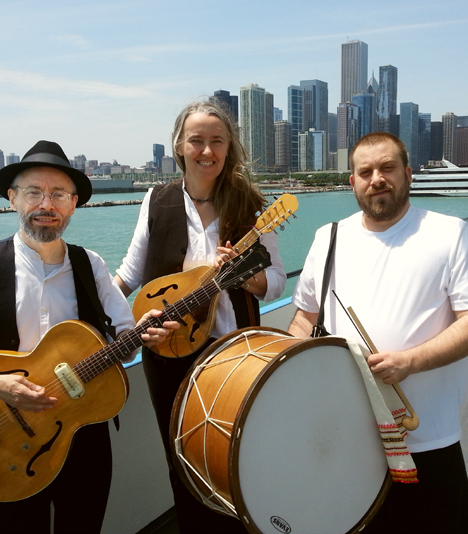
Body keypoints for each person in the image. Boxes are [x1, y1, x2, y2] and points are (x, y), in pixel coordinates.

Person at [0, 140, 178, 534]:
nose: (46, 204)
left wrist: (145, 332)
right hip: (4, 441)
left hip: (82, 436)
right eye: (34, 192)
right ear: (13, 199)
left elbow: (126, 334)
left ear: (73, 203)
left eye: (58, 194)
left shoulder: (91, 265)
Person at [288, 132, 468, 534]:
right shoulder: (328, 239)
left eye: (387, 168)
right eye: (365, 172)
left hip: (427, 437)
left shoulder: (449, 233)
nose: (376, 179)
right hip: (349, 438)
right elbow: (302, 321)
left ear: (408, 174)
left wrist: (409, 361)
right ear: (352, 182)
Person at [114, 101, 286, 533]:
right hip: (167, 350)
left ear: (230, 148)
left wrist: (245, 278)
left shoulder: (251, 203)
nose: (206, 150)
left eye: (217, 141)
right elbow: (131, 273)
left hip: (232, 353)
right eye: (197, 140)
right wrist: (103, 315)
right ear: (179, 145)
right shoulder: (157, 199)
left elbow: (278, 280)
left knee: (236, 456)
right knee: (182, 459)